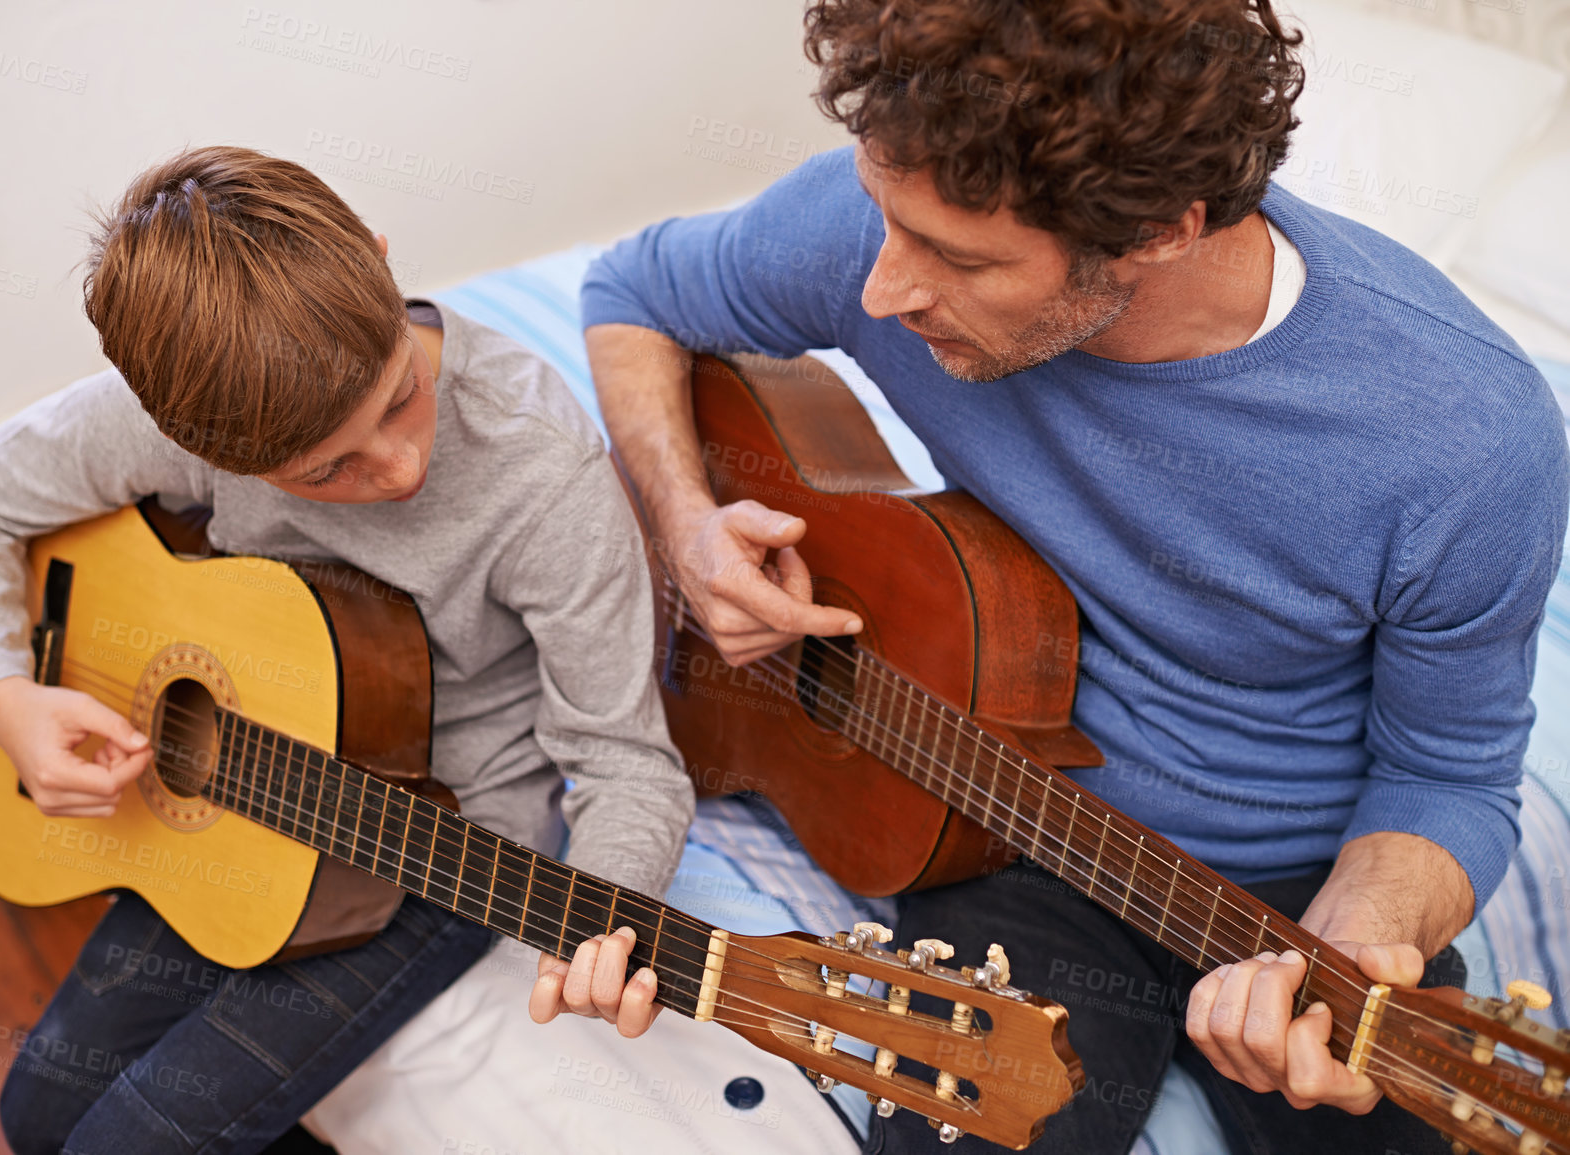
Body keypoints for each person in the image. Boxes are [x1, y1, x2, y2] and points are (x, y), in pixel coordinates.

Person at [577, 1, 1569, 1152]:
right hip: (996, 813)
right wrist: (689, 525)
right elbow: (628, 296)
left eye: (955, 258)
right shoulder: (884, 222)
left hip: (1291, 881)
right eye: (882, 218)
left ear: (1158, 233)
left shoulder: (1465, 437)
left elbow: (1448, 773)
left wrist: (1347, 951)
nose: (883, 290)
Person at [0, 146, 693, 1155]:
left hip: (429, 845)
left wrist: (607, 913)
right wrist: (4, 693)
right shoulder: (193, 422)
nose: (402, 466)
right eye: (327, 470)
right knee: (35, 1115)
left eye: (400, 398)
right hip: (236, 797)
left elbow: (628, 761)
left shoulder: (541, 470)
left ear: (376, 259)